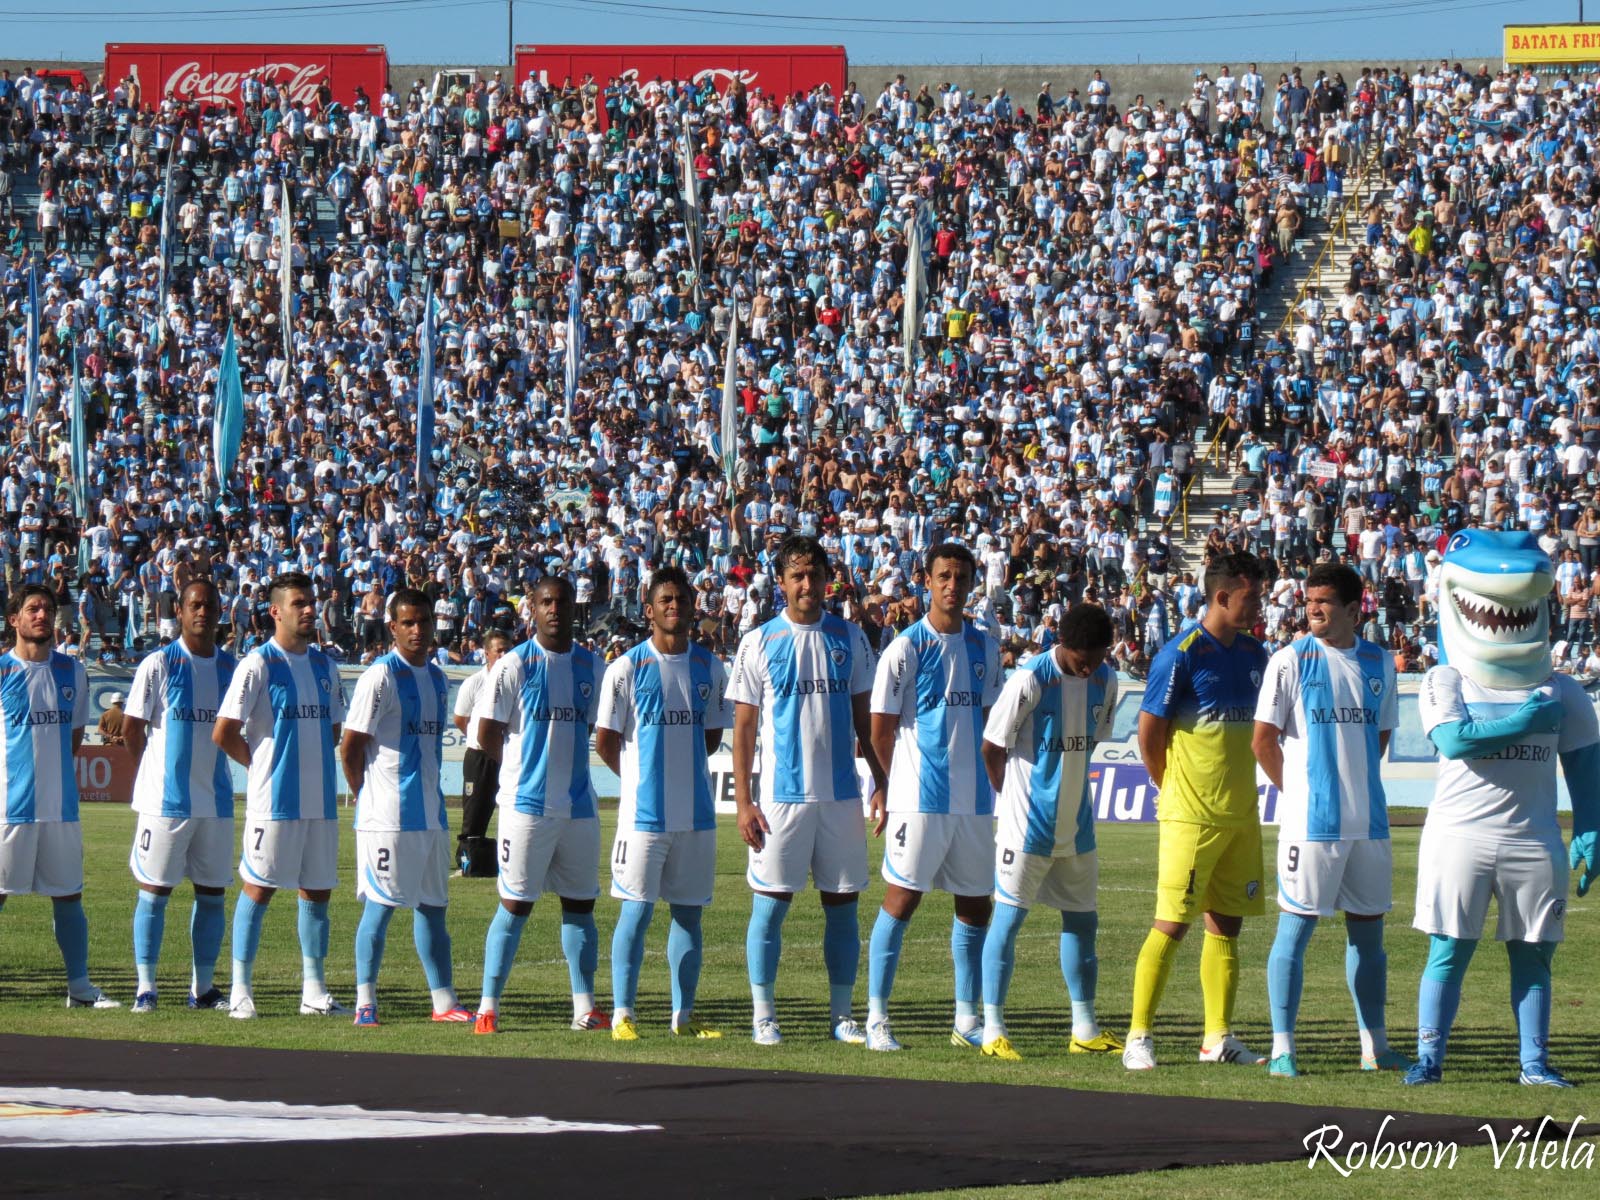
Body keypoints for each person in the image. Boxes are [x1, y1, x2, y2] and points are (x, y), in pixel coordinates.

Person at [1407, 529, 1599, 1087]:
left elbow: (1586, 767)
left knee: (1535, 956)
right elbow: (1455, 741)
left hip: (1533, 840)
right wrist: (1524, 722)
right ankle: (1429, 1060)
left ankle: (1534, 1065)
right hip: (1458, 837)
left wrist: (1589, 825)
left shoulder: (1565, 690)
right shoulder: (1445, 678)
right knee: (1448, 950)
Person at [1250, 563, 1407, 1077]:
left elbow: (1378, 740)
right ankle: (1282, 1048)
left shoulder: (1381, 663)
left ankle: (1375, 1047)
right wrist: (1299, 792)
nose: (1312, 609)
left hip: (1369, 824)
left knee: (1369, 939)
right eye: (1308, 600)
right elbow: (1262, 740)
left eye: (1323, 602)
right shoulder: (1289, 660)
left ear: (1352, 608)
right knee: (1294, 933)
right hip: (1309, 824)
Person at [727, 535, 885, 1046]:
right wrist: (746, 801)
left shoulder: (850, 638)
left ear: (826, 580)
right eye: (797, 575)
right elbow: (745, 727)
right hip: (780, 800)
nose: (807, 584)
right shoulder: (758, 641)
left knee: (842, 908)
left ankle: (841, 1016)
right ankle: (763, 1014)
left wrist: (881, 782)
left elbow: (866, 719)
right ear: (782, 583)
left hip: (841, 797)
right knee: (770, 908)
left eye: (814, 575)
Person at [1124, 550, 1269, 1070]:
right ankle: (1138, 1035)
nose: (1260, 605)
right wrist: (1173, 790)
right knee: (1171, 924)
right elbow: (1148, 734)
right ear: (1223, 595)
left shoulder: (1257, 654)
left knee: (1227, 926)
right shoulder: (1181, 653)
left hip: (1240, 815)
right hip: (1191, 815)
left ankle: (1217, 1038)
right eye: (1253, 596)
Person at [865, 542, 1001, 1052]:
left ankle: (966, 1020)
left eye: (961, 577)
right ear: (927, 581)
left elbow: (991, 726)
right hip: (919, 800)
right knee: (901, 901)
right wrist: (887, 786)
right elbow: (879, 730)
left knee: (975, 907)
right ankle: (877, 1017)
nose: (952, 585)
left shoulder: (986, 647)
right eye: (943, 575)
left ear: (971, 584)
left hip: (973, 802)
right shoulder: (905, 648)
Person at [977, 602, 1121, 1061]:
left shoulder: (1107, 680)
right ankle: (992, 1030)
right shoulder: (1030, 680)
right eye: (1085, 657)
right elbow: (992, 747)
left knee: (1083, 922)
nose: (1091, 665)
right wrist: (1011, 802)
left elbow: (1091, 741)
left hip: (1078, 826)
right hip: (1026, 829)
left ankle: (1084, 1027)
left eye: (1099, 656)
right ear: (1063, 644)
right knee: (1009, 920)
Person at [595, 566, 731, 1040]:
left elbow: (712, 736)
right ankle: (623, 1015)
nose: (675, 607)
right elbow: (607, 741)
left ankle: (684, 1017)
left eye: (682, 599)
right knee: (636, 912)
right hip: (643, 818)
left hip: (696, 814)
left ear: (693, 607)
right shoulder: (626, 668)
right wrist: (637, 779)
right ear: (649, 610)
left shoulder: (709, 667)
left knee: (689, 914)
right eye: (666, 600)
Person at [471, 576, 608, 1035]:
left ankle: (584, 1008)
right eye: (546, 602)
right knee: (515, 904)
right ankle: (488, 1006)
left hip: (579, 807)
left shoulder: (593, 666)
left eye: (562, 602)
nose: (554, 609)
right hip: (526, 807)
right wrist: (517, 773)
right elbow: (487, 731)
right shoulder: (514, 664)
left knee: (580, 906)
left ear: (574, 608)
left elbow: (601, 729)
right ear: (532, 607)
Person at [213, 571, 348, 1019]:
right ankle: (240, 989)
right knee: (258, 889)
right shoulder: (258, 664)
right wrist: (261, 766)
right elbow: (224, 732)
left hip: (321, 802)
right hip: (274, 803)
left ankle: (314, 990)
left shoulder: (327, 667)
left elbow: (333, 731)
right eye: (298, 604)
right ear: (276, 612)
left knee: (317, 893)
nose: (309, 610)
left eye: (311, 602)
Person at [339, 588, 469, 1026]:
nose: (418, 631)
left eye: (424, 622)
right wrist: (364, 794)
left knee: (434, 909)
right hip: (388, 818)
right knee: (380, 907)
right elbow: (351, 746)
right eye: (408, 623)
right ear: (392, 627)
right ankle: (365, 1002)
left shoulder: (437, 678)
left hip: (431, 816)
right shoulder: (380, 677)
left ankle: (444, 1003)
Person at [122, 579, 237, 1012]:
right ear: (181, 611)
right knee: (154, 893)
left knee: (211, 895)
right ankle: (146, 988)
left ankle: (202, 990)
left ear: (220, 609)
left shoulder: (231, 668)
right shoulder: (160, 664)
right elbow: (134, 728)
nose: (202, 612)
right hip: (165, 803)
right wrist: (155, 775)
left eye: (209, 604)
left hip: (216, 802)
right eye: (194, 605)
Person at [0, 585, 118, 1008]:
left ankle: (80, 988)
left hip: (61, 811)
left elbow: (71, 740)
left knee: (69, 895)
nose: (42, 615)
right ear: (14, 620)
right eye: (32, 609)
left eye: (47, 609)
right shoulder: (2, 673)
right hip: (8, 811)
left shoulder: (72, 671)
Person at [454, 628, 512, 872]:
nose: (503, 655)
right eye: (499, 651)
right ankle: (468, 858)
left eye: (507, 651)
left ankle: (499, 858)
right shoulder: (475, 683)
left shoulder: (514, 681)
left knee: (504, 806)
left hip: (507, 755)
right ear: (487, 654)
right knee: (475, 808)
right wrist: (480, 741)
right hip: (479, 756)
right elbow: (460, 719)